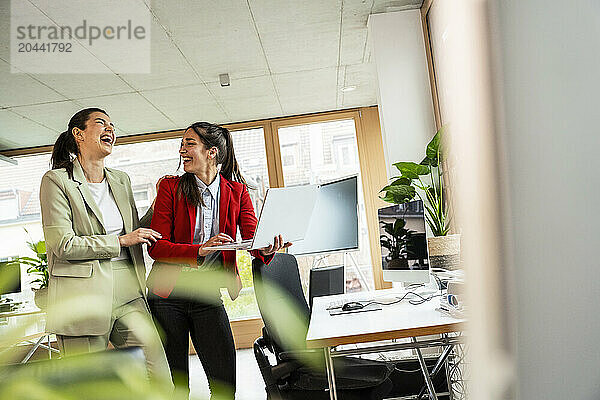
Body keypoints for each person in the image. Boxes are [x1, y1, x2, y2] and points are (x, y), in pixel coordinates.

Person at [146, 122, 290, 399]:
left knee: (224, 384)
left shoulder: (237, 191)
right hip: (167, 296)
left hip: (207, 294)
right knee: (176, 386)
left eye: (190, 144)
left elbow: (253, 239)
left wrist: (270, 247)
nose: (182, 150)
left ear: (211, 152)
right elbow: (158, 247)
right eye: (182, 143)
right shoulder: (170, 187)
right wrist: (198, 250)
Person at [39, 108, 172, 385]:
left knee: (159, 377)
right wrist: (120, 241)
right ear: (78, 134)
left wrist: (161, 200)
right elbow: (63, 244)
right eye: (101, 123)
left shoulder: (120, 179)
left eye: (112, 124)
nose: (110, 129)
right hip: (82, 296)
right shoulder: (56, 181)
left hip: (128, 289)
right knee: (88, 386)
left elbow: (135, 229)